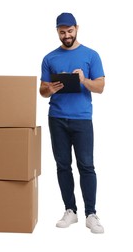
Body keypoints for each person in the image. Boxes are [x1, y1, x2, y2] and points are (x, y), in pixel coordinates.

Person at [39, 12, 105, 234]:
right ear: (57, 32)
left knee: (86, 165)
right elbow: (42, 92)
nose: (66, 35)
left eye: (69, 31)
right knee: (62, 165)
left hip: (82, 118)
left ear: (77, 28)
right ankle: (70, 210)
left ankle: (91, 214)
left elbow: (100, 87)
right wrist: (50, 88)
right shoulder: (50, 58)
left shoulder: (91, 55)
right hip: (57, 118)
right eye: (62, 32)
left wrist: (83, 80)